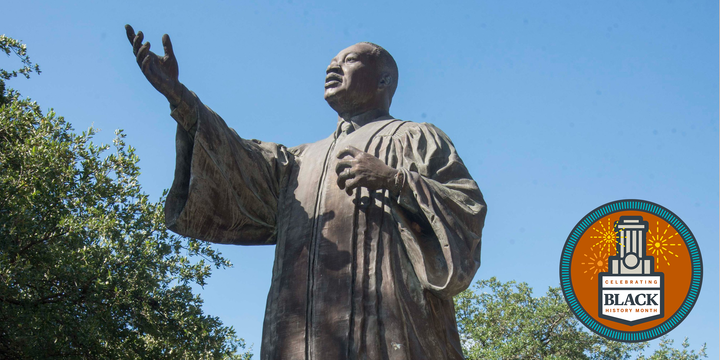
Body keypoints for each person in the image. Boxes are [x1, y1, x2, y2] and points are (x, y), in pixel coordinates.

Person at [125, 25, 487, 360]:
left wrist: (395, 180)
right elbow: (236, 159)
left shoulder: (415, 136)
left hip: (387, 324)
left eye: (349, 60)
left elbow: (466, 205)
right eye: (331, 61)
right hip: (300, 332)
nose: (333, 66)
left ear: (384, 79)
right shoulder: (299, 160)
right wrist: (180, 97)